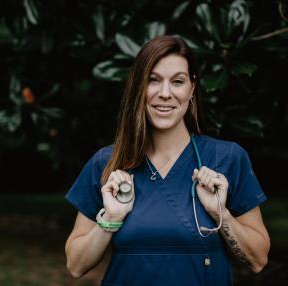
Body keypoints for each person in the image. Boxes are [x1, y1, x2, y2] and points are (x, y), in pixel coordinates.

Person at [65, 35, 270, 286]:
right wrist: (111, 218)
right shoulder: (108, 163)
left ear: (192, 88)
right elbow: (75, 265)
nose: (165, 93)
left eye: (177, 82)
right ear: (139, 87)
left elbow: (258, 259)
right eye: (153, 80)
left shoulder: (227, 159)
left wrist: (221, 214)